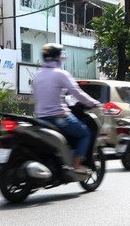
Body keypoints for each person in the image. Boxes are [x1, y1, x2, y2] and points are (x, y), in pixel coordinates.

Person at [32, 43, 101, 171]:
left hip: (41, 119)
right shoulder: (61, 74)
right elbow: (78, 93)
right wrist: (93, 103)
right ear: (58, 57)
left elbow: (36, 95)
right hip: (59, 117)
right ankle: (77, 164)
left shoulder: (38, 75)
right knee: (85, 133)